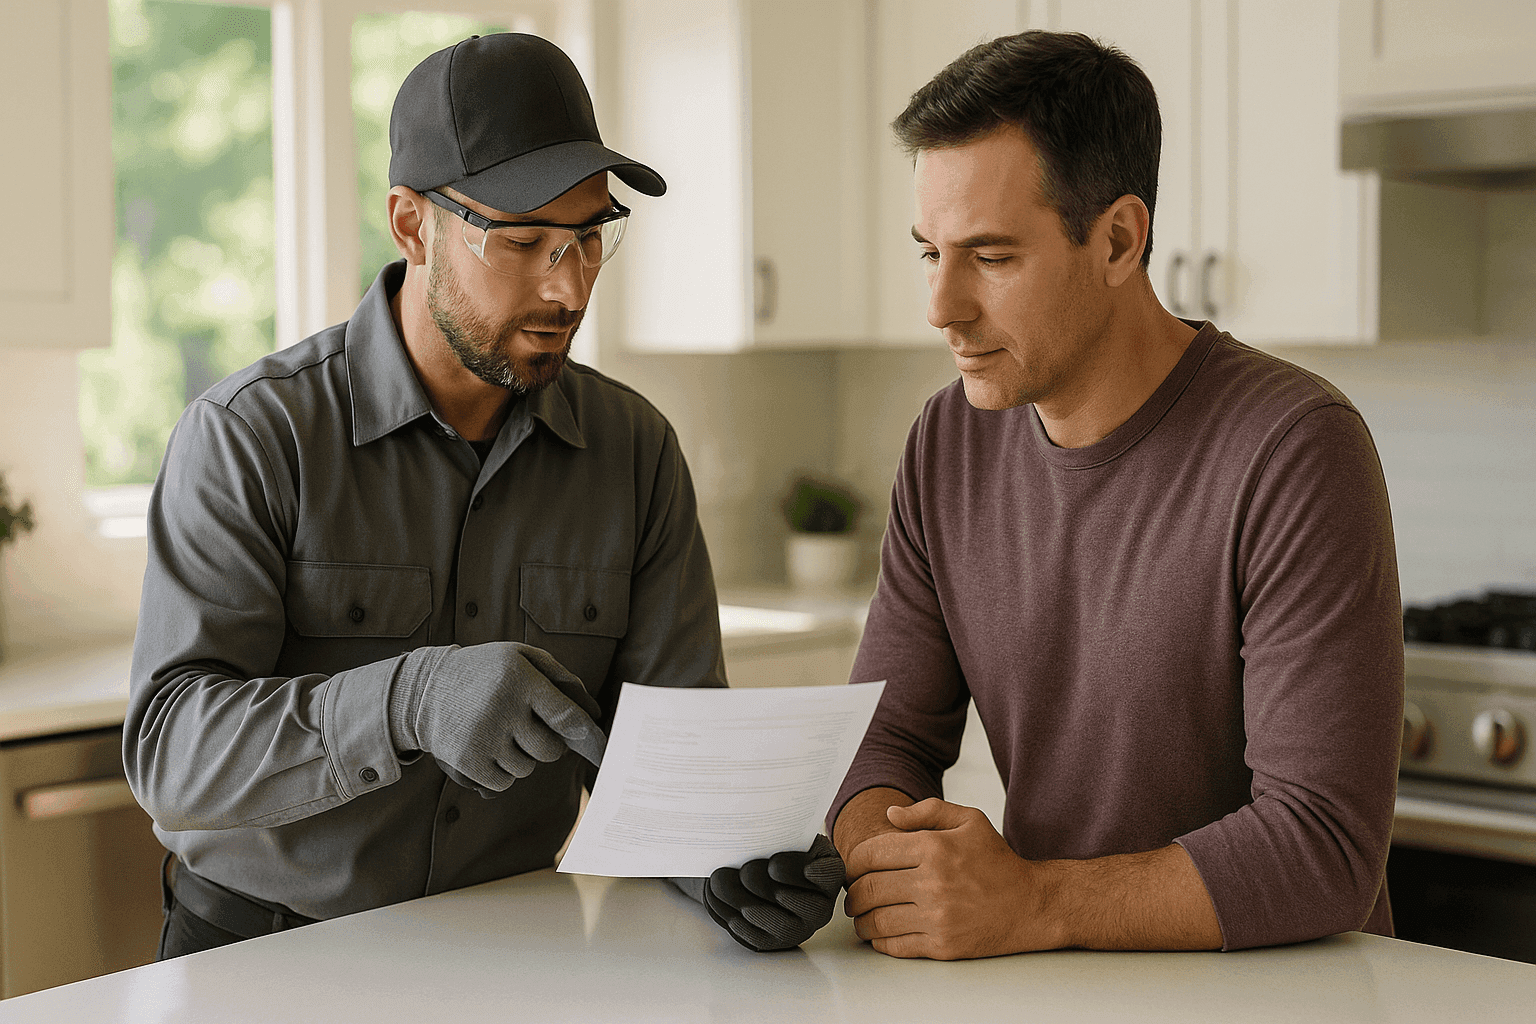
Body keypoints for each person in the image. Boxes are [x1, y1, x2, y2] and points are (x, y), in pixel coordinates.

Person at [126, 32, 840, 960]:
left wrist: (737, 869)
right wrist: (407, 700)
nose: (569, 284)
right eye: (524, 241)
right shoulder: (251, 437)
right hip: (259, 956)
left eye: (589, 238)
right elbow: (170, 755)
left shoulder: (635, 453)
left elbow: (666, 758)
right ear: (412, 226)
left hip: (511, 955)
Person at [830, 30, 1403, 960]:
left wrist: (1030, 903)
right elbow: (881, 737)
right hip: (1059, 985)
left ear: (1119, 240)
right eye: (929, 251)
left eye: (992, 256)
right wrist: (883, 861)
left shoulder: (1294, 448)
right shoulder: (949, 440)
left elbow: (1323, 848)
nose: (941, 306)